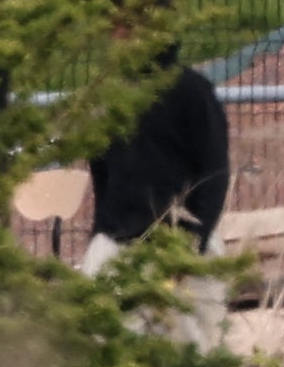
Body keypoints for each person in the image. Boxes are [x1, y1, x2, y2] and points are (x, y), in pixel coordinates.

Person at [87, 61, 230, 266]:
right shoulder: (107, 95)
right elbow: (101, 176)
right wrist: (100, 231)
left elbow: (215, 172)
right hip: (116, 242)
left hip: (182, 242)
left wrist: (196, 241)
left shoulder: (192, 90)